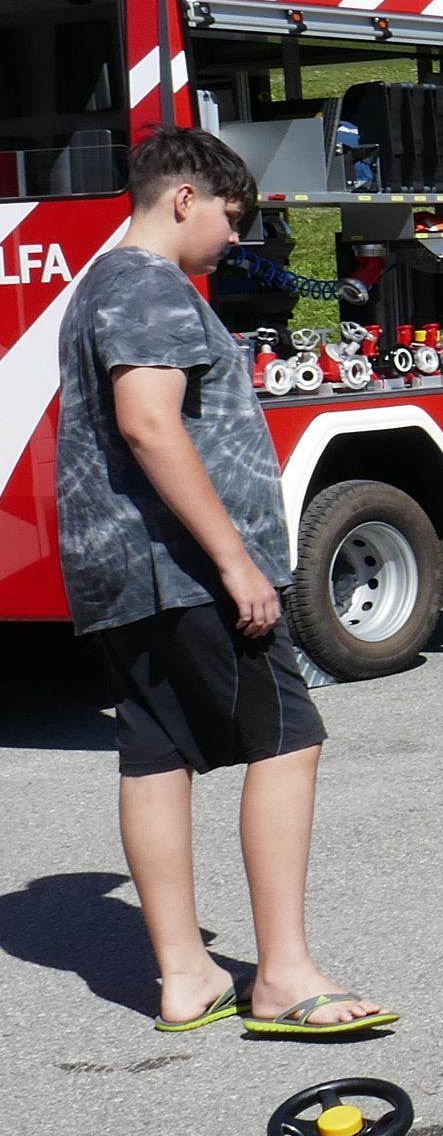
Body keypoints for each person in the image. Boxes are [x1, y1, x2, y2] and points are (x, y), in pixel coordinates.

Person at [54, 130, 392, 1037]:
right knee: (288, 738)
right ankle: (282, 975)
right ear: (183, 199)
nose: (234, 243)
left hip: (123, 570)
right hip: (188, 568)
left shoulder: (96, 286)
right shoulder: (149, 284)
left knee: (156, 755)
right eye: (231, 220)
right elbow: (150, 425)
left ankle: (185, 976)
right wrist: (238, 561)